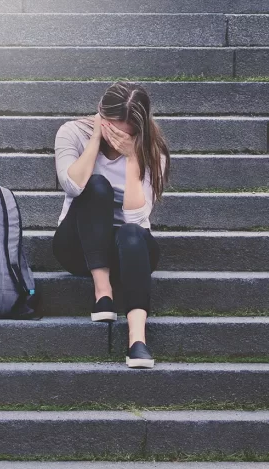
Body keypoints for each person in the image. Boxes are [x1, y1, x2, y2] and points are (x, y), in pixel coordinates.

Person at [52, 81, 171, 369]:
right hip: (79, 246)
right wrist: (95, 139)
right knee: (95, 186)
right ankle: (102, 293)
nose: (116, 137)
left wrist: (132, 159)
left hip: (128, 250)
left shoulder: (152, 151)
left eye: (125, 133)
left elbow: (136, 219)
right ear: (100, 113)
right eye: (111, 127)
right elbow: (72, 185)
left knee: (131, 233)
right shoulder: (72, 133)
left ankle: (137, 340)